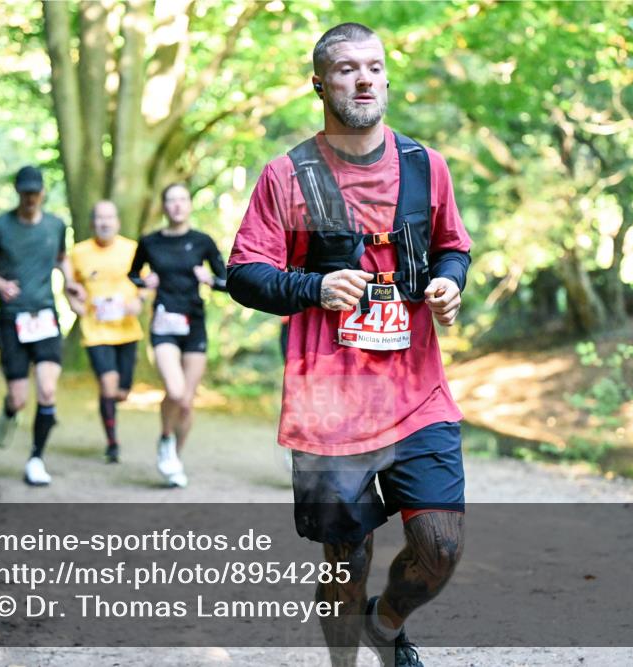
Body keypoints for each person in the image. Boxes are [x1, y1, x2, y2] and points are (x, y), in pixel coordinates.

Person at [226, 23, 472, 667]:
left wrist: (448, 284)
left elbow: (454, 249)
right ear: (320, 83)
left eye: (374, 67)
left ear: (386, 77)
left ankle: (386, 626)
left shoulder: (426, 166)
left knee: (442, 546)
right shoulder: (286, 176)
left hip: (419, 393)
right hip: (329, 403)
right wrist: (313, 285)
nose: (363, 79)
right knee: (348, 555)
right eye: (345, 69)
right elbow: (244, 274)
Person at [0, 165, 83, 486]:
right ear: (18, 192)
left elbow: (62, 258)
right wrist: (0, 284)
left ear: (42, 193)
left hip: (45, 316)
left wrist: (70, 283)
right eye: (24, 192)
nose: (29, 198)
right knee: (20, 397)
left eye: (34, 192)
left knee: (48, 389)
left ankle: (36, 458)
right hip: (12, 320)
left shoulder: (55, 225)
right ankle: (10, 411)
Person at [128, 183, 228, 488]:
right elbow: (132, 274)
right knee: (174, 390)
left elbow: (227, 279)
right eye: (170, 200)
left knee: (186, 401)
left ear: (189, 205)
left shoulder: (203, 242)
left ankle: (173, 456)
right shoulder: (150, 242)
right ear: (164, 206)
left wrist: (210, 279)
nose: (177, 206)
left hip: (194, 324)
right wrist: (145, 283)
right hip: (164, 324)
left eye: (182, 200)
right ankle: (164, 438)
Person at [66, 200, 144, 464]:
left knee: (122, 392)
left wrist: (140, 300)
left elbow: (146, 282)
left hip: (127, 330)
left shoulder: (133, 249)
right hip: (95, 330)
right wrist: (75, 305)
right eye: (99, 218)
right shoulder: (78, 252)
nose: (105, 222)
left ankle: (111, 407)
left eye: (109, 217)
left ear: (117, 222)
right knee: (107, 385)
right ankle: (112, 442)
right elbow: (69, 285)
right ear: (92, 223)